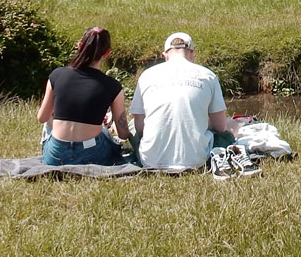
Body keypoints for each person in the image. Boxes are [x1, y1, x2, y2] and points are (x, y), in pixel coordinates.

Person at [129, 32, 232, 171]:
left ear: (165, 55)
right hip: (197, 161)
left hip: (150, 161)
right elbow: (220, 127)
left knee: (133, 129)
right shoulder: (208, 75)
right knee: (226, 137)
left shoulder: (146, 75)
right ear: (192, 54)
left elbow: (140, 127)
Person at [38, 26, 130, 166]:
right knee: (104, 134)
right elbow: (123, 133)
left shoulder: (57, 75)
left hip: (55, 156)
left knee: (49, 123)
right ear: (107, 53)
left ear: (80, 46)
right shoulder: (112, 86)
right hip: (92, 156)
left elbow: (42, 117)